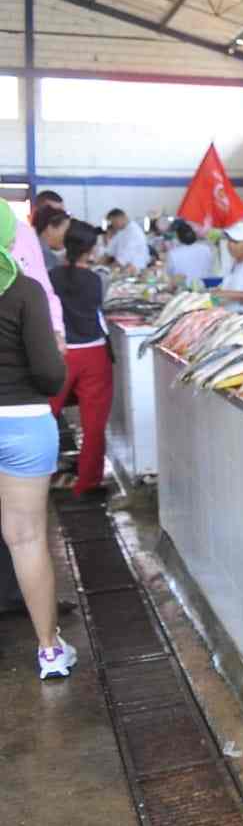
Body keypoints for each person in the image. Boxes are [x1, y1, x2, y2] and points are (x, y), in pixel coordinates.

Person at [0, 203, 72, 677]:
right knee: (26, 540)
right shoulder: (24, 291)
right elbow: (49, 374)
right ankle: (49, 651)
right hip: (23, 422)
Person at [48, 220, 112, 501]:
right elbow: (100, 308)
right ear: (90, 248)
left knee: (48, 415)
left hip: (62, 353)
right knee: (93, 423)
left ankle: (39, 473)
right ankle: (87, 483)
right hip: (94, 355)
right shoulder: (95, 279)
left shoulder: (52, 276)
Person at [165, 220, 215, 285]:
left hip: (184, 289)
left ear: (178, 237)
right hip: (206, 286)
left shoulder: (173, 253)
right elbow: (210, 265)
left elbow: (169, 272)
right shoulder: (206, 248)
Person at [101, 208, 150, 273]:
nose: (113, 225)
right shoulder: (121, 231)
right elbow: (109, 251)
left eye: (114, 222)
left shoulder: (134, 232)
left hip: (136, 270)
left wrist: (106, 270)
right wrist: (97, 266)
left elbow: (123, 258)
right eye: (112, 223)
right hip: (123, 268)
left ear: (123, 218)